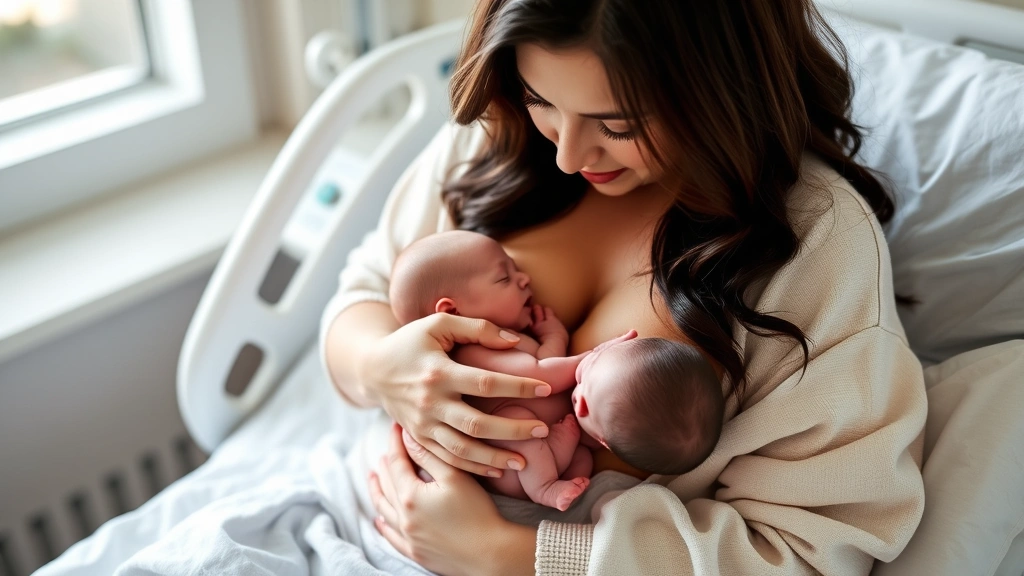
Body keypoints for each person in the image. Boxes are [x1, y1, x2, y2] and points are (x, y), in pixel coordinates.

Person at [321, 1, 927, 574]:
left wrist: (504, 554)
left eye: (616, 123)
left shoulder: (816, 244)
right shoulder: (498, 135)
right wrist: (382, 368)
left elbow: (812, 553)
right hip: (350, 523)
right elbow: (363, 293)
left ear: (721, 88)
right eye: (542, 98)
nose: (566, 153)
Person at [387, 230, 723, 510]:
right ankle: (544, 488)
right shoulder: (471, 352)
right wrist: (589, 357)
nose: (524, 278)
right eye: (505, 277)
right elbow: (537, 377)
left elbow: (542, 362)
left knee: (582, 463)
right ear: (453, 310)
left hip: (537, 445)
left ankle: (558, 465)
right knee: (521, 423)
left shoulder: (510, 340)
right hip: (508, 464)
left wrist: (553, 337)